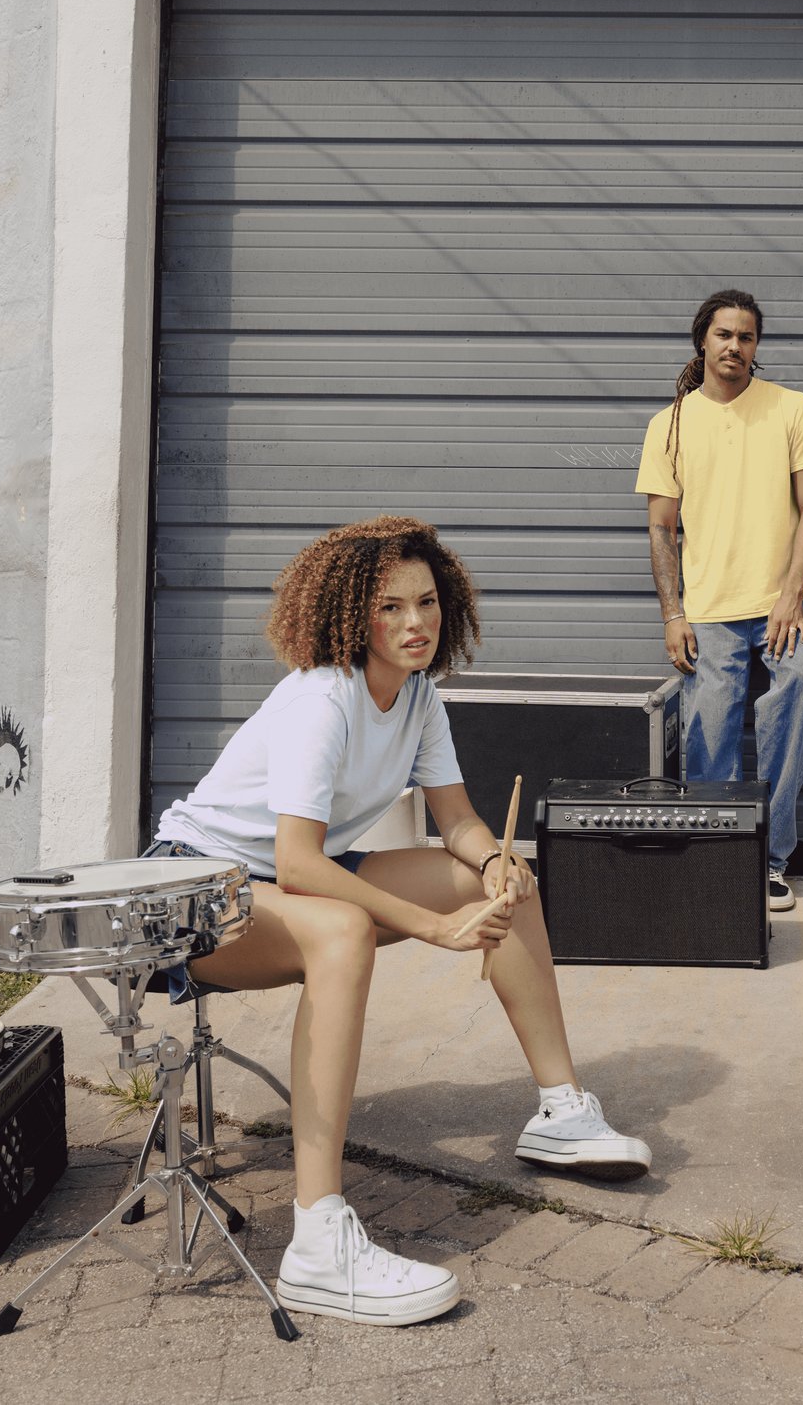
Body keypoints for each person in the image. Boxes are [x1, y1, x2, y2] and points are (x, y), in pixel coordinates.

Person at [150, 516, 651, 1327]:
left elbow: (455, 820)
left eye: (426, 602)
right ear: (352, 615)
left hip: (289, 880)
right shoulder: (325, 697)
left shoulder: (418, 697)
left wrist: (493, 861)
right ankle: (317, 1241)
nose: (415, 624)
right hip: (196, 888)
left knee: (499, 885)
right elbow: (304, 860)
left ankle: (561, 1111)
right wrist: (431, 927)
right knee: (342, 931)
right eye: (390, 608)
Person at [635, 289, 803, 911]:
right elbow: (662, 527)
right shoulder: (669, 424)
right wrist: (674, 614)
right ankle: (720, 858)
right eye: (724, 335)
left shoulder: (791, 409)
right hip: (710, 610)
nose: (735, 347)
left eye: (747, 337)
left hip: (783, 602)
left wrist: (788, 596)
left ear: (757, 347)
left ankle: (769, 859)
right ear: (703, 340)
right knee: (707, 731)